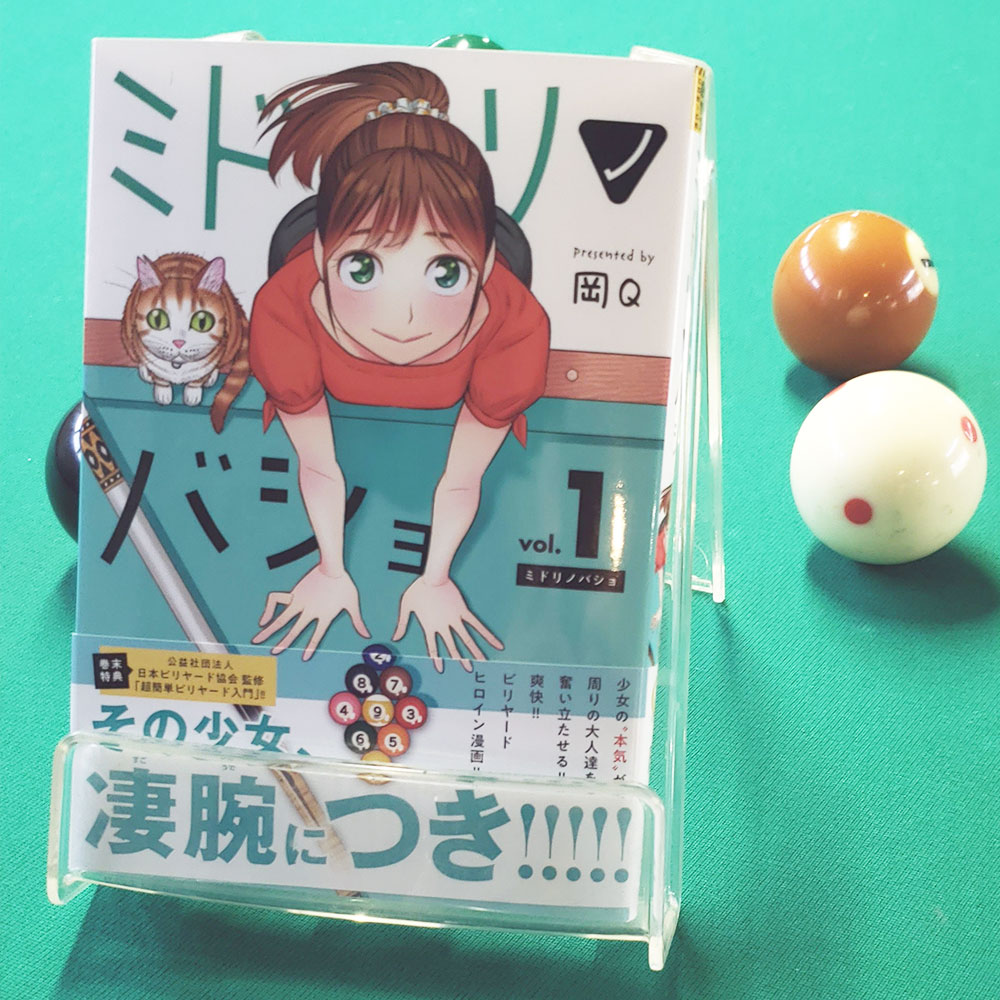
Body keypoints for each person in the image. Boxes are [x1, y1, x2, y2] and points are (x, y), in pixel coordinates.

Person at [248, 61, 550, 671]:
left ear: (489, 259)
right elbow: (319, 465)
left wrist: (435, 579)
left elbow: (461, 480)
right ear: (320, 251)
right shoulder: (284, 313)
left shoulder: (515, 330)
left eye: (446, 272)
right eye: (362, 268)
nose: (405, 317)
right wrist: (331, 570)